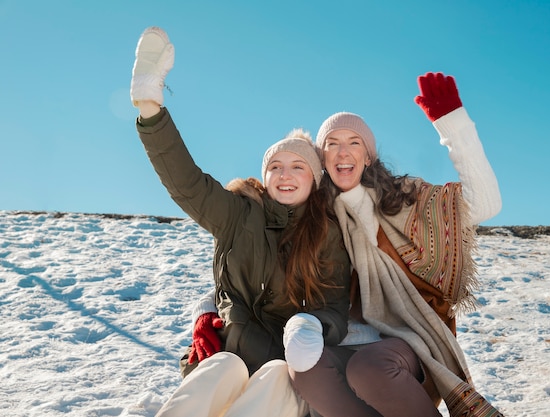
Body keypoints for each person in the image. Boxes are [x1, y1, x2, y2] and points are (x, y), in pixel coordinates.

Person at [129, 27, 351, 417]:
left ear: (314, 180)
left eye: (298, 166)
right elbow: (187, 184)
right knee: (223, 366)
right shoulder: (237, 213)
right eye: (276, 167)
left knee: (278, 374)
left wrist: (313, 327)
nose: (285, 174)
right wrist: (151, 111)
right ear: (264, 178)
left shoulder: (326, 232)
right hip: (228, 351)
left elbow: (334, 304)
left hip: (286, 367)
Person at [287, 73, 504, 417]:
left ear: (369, 156)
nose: (343, 152)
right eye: (332, 143)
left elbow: (485, 204)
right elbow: (258, 249)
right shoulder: (314, 214)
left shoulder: (403, 197)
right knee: (304, 367)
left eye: (354, 142)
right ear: (323, 158)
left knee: (369, 368)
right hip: (343, 338)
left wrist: (454, 128)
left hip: (410, 341)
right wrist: (210, 308)